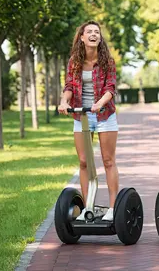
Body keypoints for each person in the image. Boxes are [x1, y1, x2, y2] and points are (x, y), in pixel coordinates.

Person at [58, 20, 119, 221]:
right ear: (82, 37)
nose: (93, 34)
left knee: (108, 161)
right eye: (89, 32)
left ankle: (112, 208)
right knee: (84, 162)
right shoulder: (74, 61)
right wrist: (64, 102)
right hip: (81, 115)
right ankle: (88, 207)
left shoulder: (107, 61)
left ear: (99, 38)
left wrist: (99, 103)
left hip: (104, 115)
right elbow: (68, 86)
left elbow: (110, 88)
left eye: (97, 32)